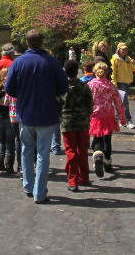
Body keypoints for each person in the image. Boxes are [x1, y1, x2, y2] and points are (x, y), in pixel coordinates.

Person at [5, 29, 68, 204]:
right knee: (42, 154)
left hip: (25, 113)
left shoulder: (18, 63)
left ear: (27, 43)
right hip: (47, 114)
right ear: (42, 43)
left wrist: (23, 92)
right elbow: (64, 87)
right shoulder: (52, 62)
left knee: (26, 150)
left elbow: (9, 88)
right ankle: (40, 192)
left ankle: (28, 185)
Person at [59, 59, 93, 192]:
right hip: (83, 122)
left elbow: (57, 104)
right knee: (82, 150)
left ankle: (72, 180)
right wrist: (87, 115)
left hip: (67, 122)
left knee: (70, 151)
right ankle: (84, 176)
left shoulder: (62, 87)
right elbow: (90, 104)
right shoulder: (84, 86)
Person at [87, 61, 123, 177]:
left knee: (97, 138)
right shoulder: (111, 86)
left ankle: (97, 155)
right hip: (108, 114)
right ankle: (107, 162)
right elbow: (118, 102)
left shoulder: (90, 85)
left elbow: (86, 101)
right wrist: (122, 118)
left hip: (95, 115)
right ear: (107, 72)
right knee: (107, 139)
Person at [111, 42, 135, 125]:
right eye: (123, 49)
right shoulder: (115, 59)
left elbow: (134, 69)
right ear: (119, 49)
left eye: (126, 49)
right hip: (119, 82)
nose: (125, 51)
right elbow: (113, 72)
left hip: (127, 82)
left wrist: (133, 63)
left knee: (121, 102)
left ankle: (117, 120)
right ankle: (128, 120)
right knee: (125, 101)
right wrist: (114, 84)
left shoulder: (128, 58)